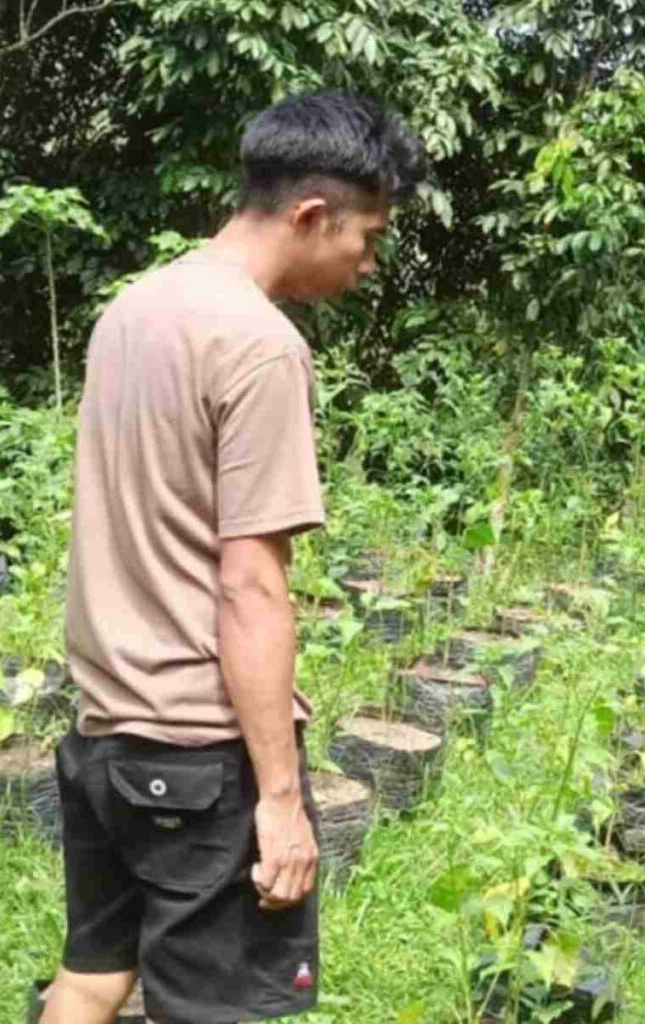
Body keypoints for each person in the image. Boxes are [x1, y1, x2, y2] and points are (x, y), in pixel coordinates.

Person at [40, 92, 426, 1024]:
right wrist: (283, 803)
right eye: (366, 236)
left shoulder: (133, 310)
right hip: (198, 756)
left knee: (92, 977)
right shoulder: (259, 346)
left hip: (104, 734)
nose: (368, 261)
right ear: (309, 215)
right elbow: (251, 584)